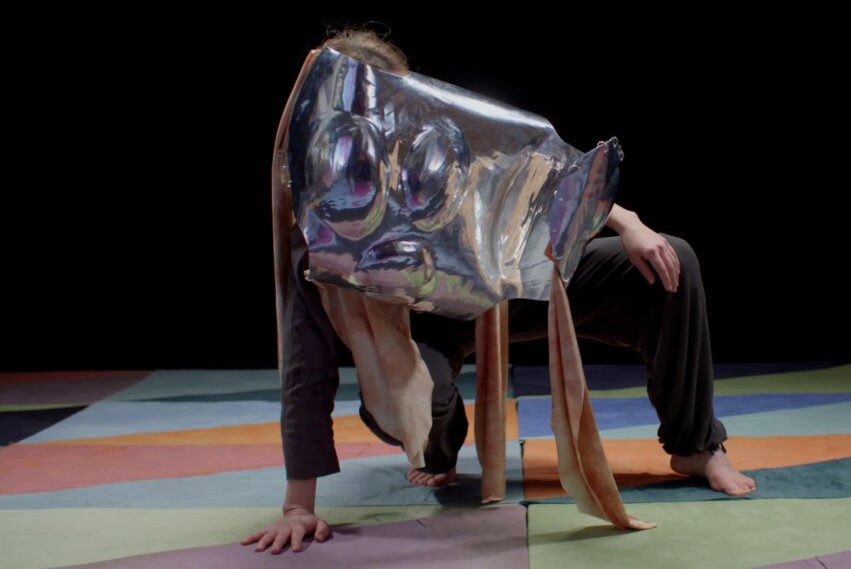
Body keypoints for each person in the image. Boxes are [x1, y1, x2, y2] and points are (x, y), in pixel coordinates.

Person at [242, 29, 756, 555]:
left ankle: (695, 445)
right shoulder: (322, 227)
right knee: (413, 406)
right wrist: (298, 505)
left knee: (670, 260)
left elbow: (536, 176)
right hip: (419, 333)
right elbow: (305, 361)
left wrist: (629, 222)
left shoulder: (431, 145)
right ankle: (439, 448)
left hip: (499, 295)